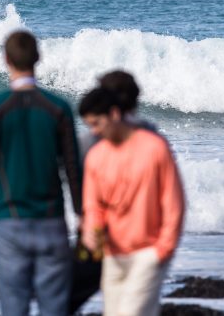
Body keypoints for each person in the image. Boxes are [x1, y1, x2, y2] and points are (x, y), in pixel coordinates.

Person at [0, 30, 82, 316]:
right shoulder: (59, 108)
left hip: (8, 221)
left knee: (14, 306)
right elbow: (73, 168)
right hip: (51, 219)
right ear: (38, 58)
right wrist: (81, 211)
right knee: (55, 306)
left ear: (6, 59)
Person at [79, 87, 185, 316]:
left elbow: (174, 202)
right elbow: (93, 205)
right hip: (112, 254)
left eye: (97, 123)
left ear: (114, 114)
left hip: (148, 252)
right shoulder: (97, 156)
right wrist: (91, 230)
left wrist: (163, 249)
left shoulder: (154, 148)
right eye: (90, 125)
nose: (94, 131)